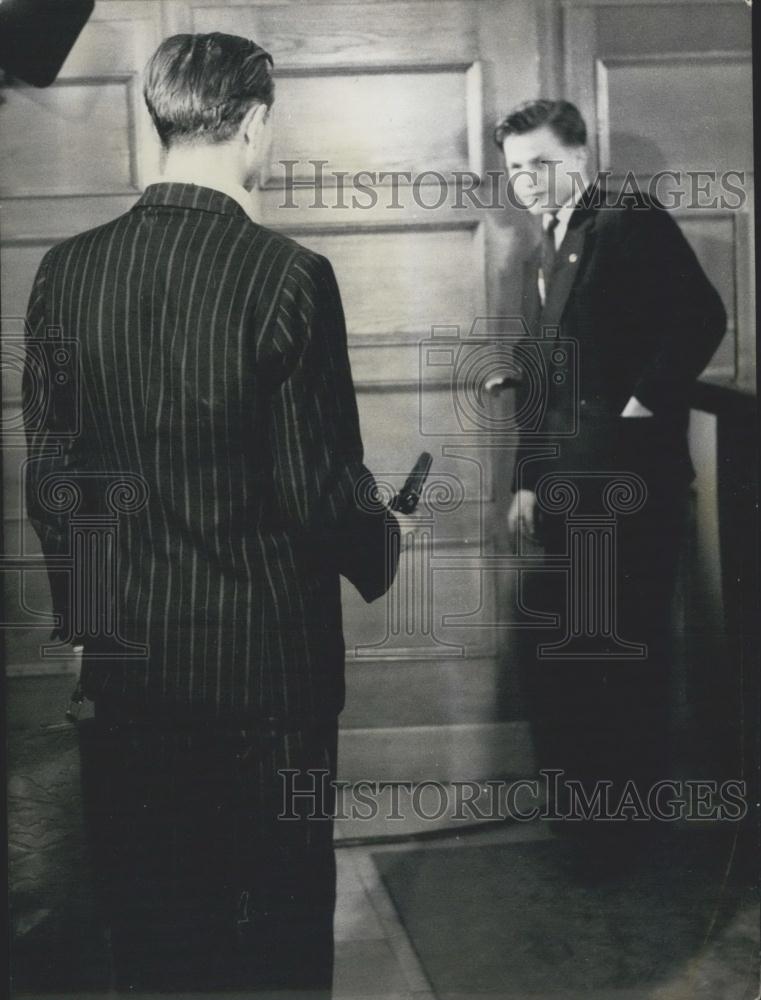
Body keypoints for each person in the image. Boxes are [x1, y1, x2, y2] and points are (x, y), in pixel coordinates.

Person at [22, 32, 398, 994]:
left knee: (152, 932)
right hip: (265, 679)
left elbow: (57, 482)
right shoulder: (287, 277)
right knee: (273, 934)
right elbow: (321, 493)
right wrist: (383, 535)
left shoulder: (64, 274)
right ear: (255, 122)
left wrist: (87, 619)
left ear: (159, 120)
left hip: (130, 673)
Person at [496, 99, 726, 840]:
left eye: (539, 162)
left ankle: (629, 828)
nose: (526, 181)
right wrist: (525, 481)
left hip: (631, 490)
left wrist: (634, 410)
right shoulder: (539, 253)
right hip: (567, 492)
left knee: (626, 655)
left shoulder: (627, 218)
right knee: (572, 655)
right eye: (513, 169)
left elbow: (701, 316)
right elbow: (543, 373)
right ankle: (582, 821)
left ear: (579, 155)